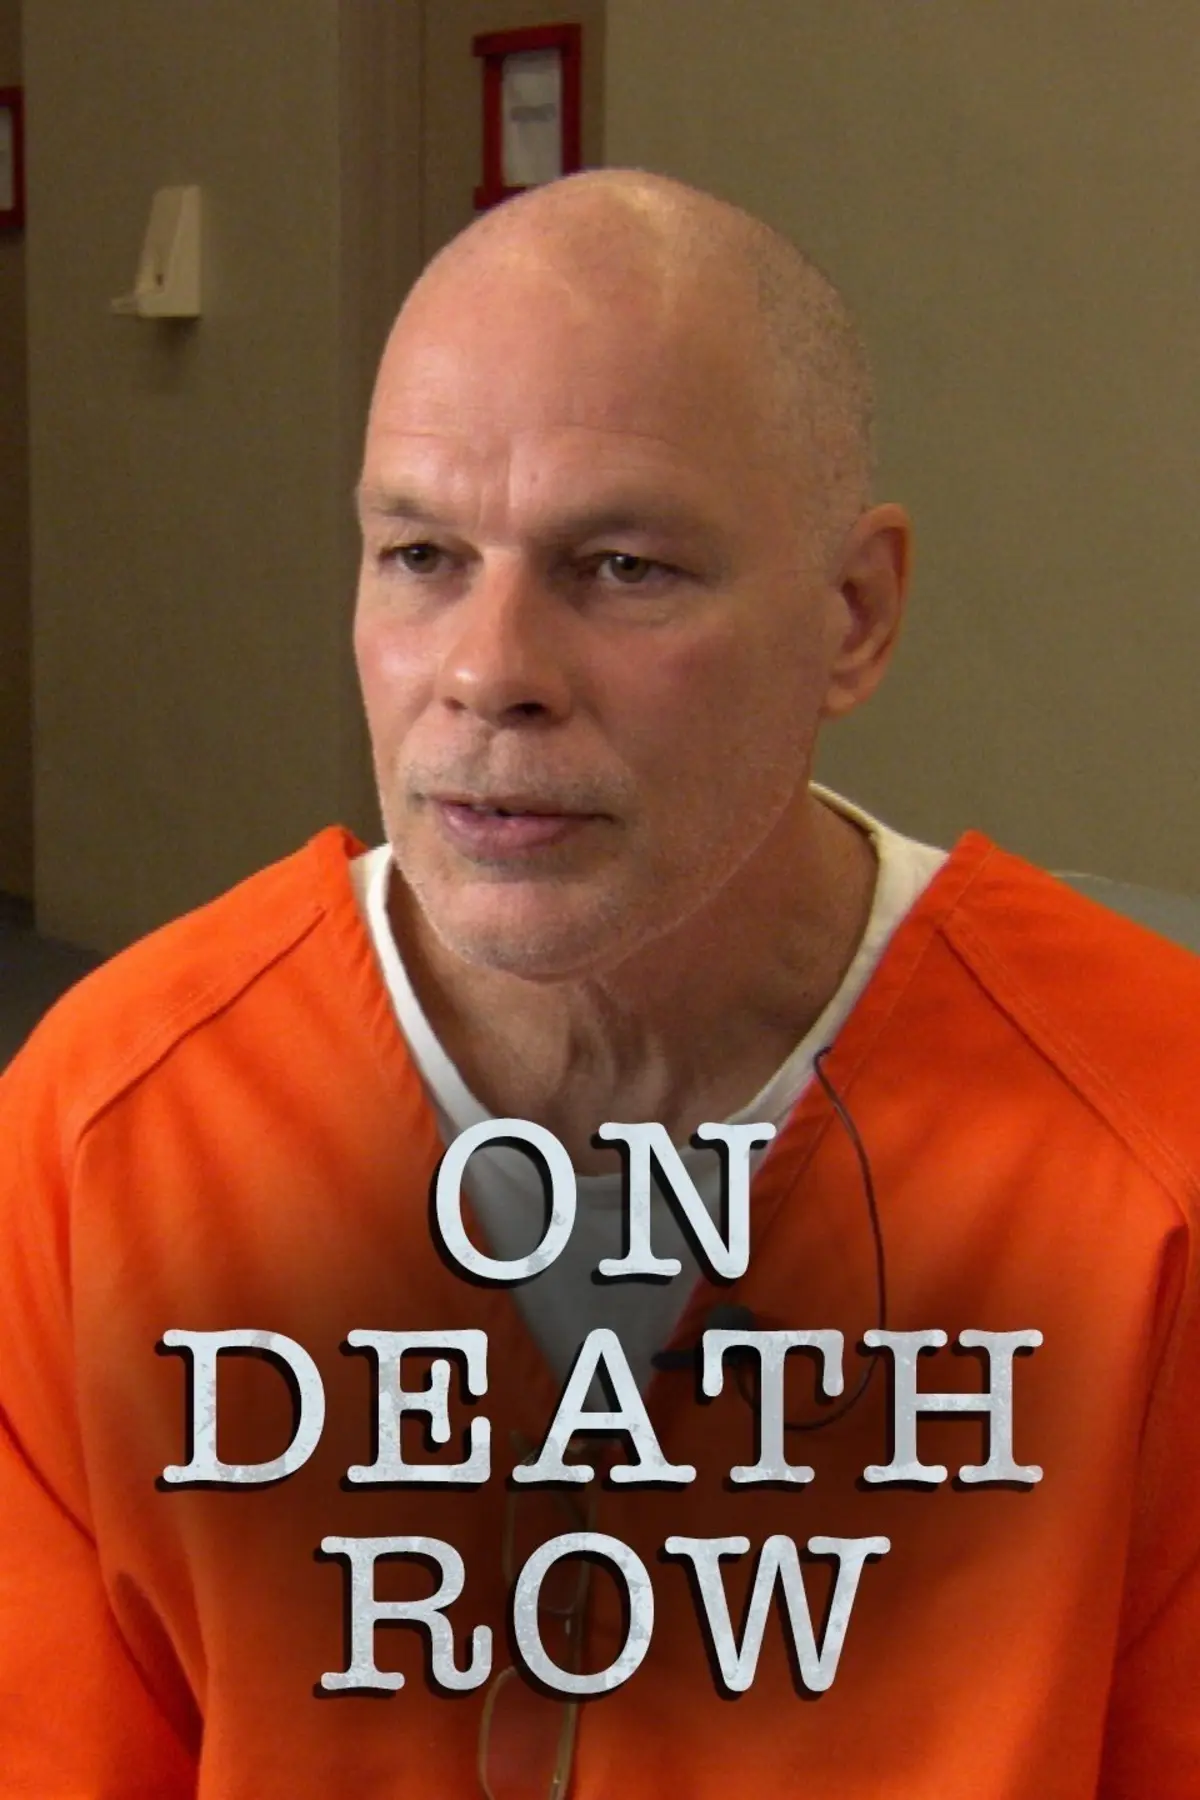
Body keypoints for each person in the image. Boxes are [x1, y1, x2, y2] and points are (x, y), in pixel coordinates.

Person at [1, 168, 1197, 1800]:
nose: (488, 671)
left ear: (854, 616)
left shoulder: (1153, 1156)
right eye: (421, 554)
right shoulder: (103, 1132)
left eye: (622, 567)